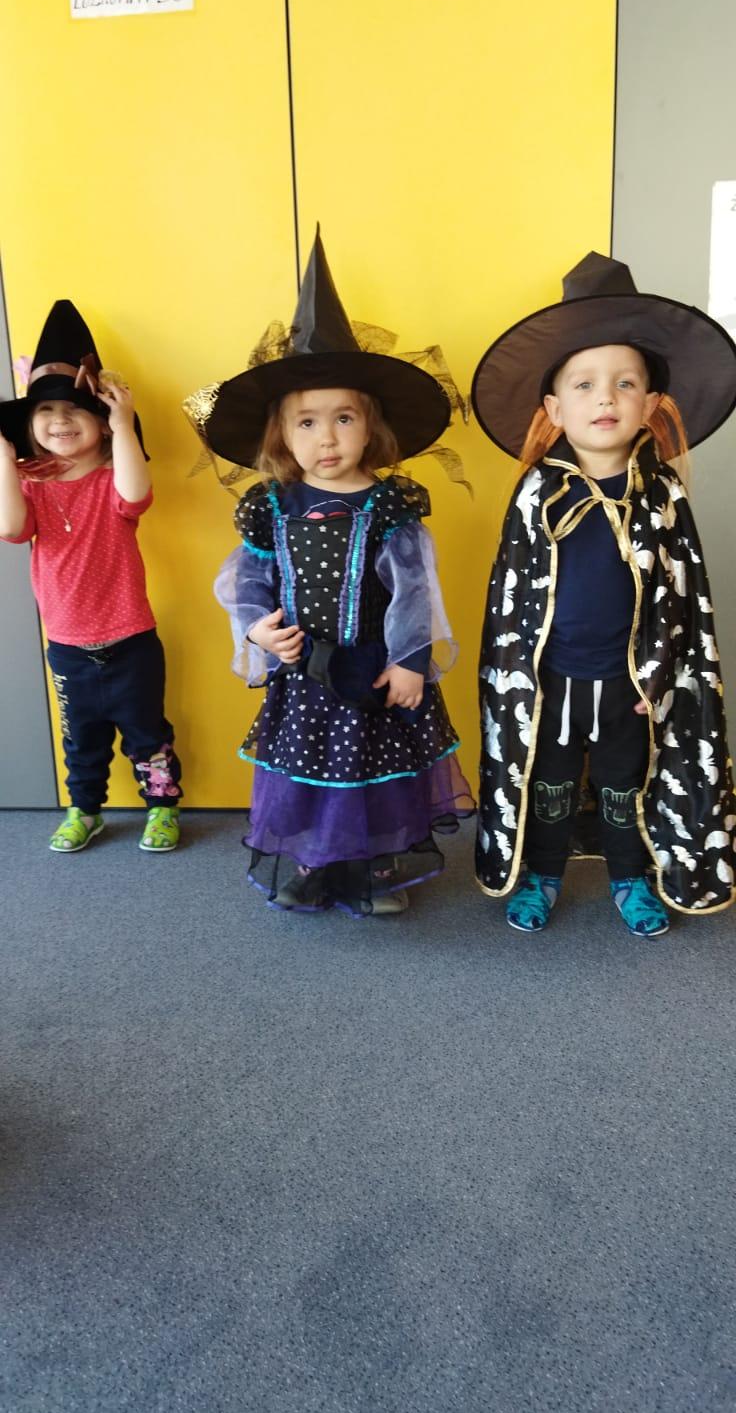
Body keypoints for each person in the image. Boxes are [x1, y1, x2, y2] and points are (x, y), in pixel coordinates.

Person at [186, 226, 472, 913]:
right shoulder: (272, 507)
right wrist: (256, 629)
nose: (327, 437)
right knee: (308, 774)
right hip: (304, 671)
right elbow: (247, 581)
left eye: (344, 418)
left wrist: (410, 661)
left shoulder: (390, 505)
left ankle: (371, 869)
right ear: (282, 434)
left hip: (372, 668)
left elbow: (413, 590)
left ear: (370, 426)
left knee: (373, 773)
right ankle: (315, 862)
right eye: (307, 423)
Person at [471, 251, 736, 936]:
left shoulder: (663, 493)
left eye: (625, 383)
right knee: (550, 785)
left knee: (625, 786)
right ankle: (542, 875)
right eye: (585, 385)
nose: (606, 399)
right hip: (553, 679)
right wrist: (521, 680)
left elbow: (684, 597)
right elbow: (511, 600)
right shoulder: (536, 492)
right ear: (555, 408)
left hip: (632, 684)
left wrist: (665, 674)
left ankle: (629, 878)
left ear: (650, 403)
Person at [0, 299, 182, 852]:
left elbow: (136, 494)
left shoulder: (113, 479)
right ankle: (85, 809)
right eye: (46, 411)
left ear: (101, 426)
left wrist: (124, 424)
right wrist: (5, 460)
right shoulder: (30, 486)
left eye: (76, 410)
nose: (60, 420)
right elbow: (11, 528)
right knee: (81, 740)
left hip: (132, 639)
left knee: (148, 734)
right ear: (29, 427)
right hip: (68, 645)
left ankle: (162, 808)